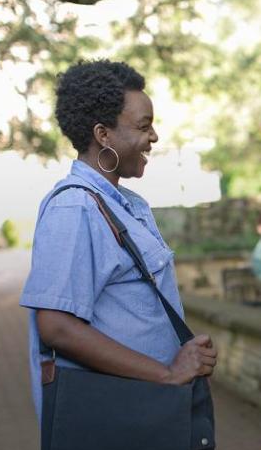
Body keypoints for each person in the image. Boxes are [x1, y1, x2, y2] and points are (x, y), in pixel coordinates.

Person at [20, 60, 217, 421]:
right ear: (103, 135)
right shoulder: (76, 207)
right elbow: (56, 326)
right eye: (144, 126)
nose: (154, 137)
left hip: (143, 409)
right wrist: (168, 373)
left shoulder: (125, 204)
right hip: (114, 420)